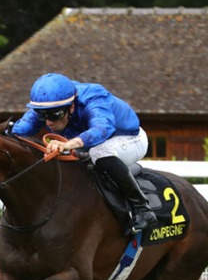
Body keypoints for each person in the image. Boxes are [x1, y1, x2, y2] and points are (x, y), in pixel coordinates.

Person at [11, 72, 156, 232]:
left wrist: (69, 144)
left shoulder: (93, 99)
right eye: (42, 116)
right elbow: (19, 130)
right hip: (89, 144)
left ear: (71, 107)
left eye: (55, 116)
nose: (48, 122)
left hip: (130, 138)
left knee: (99, 153)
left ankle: (142, 209)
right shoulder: (49, 105)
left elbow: (102, 129)